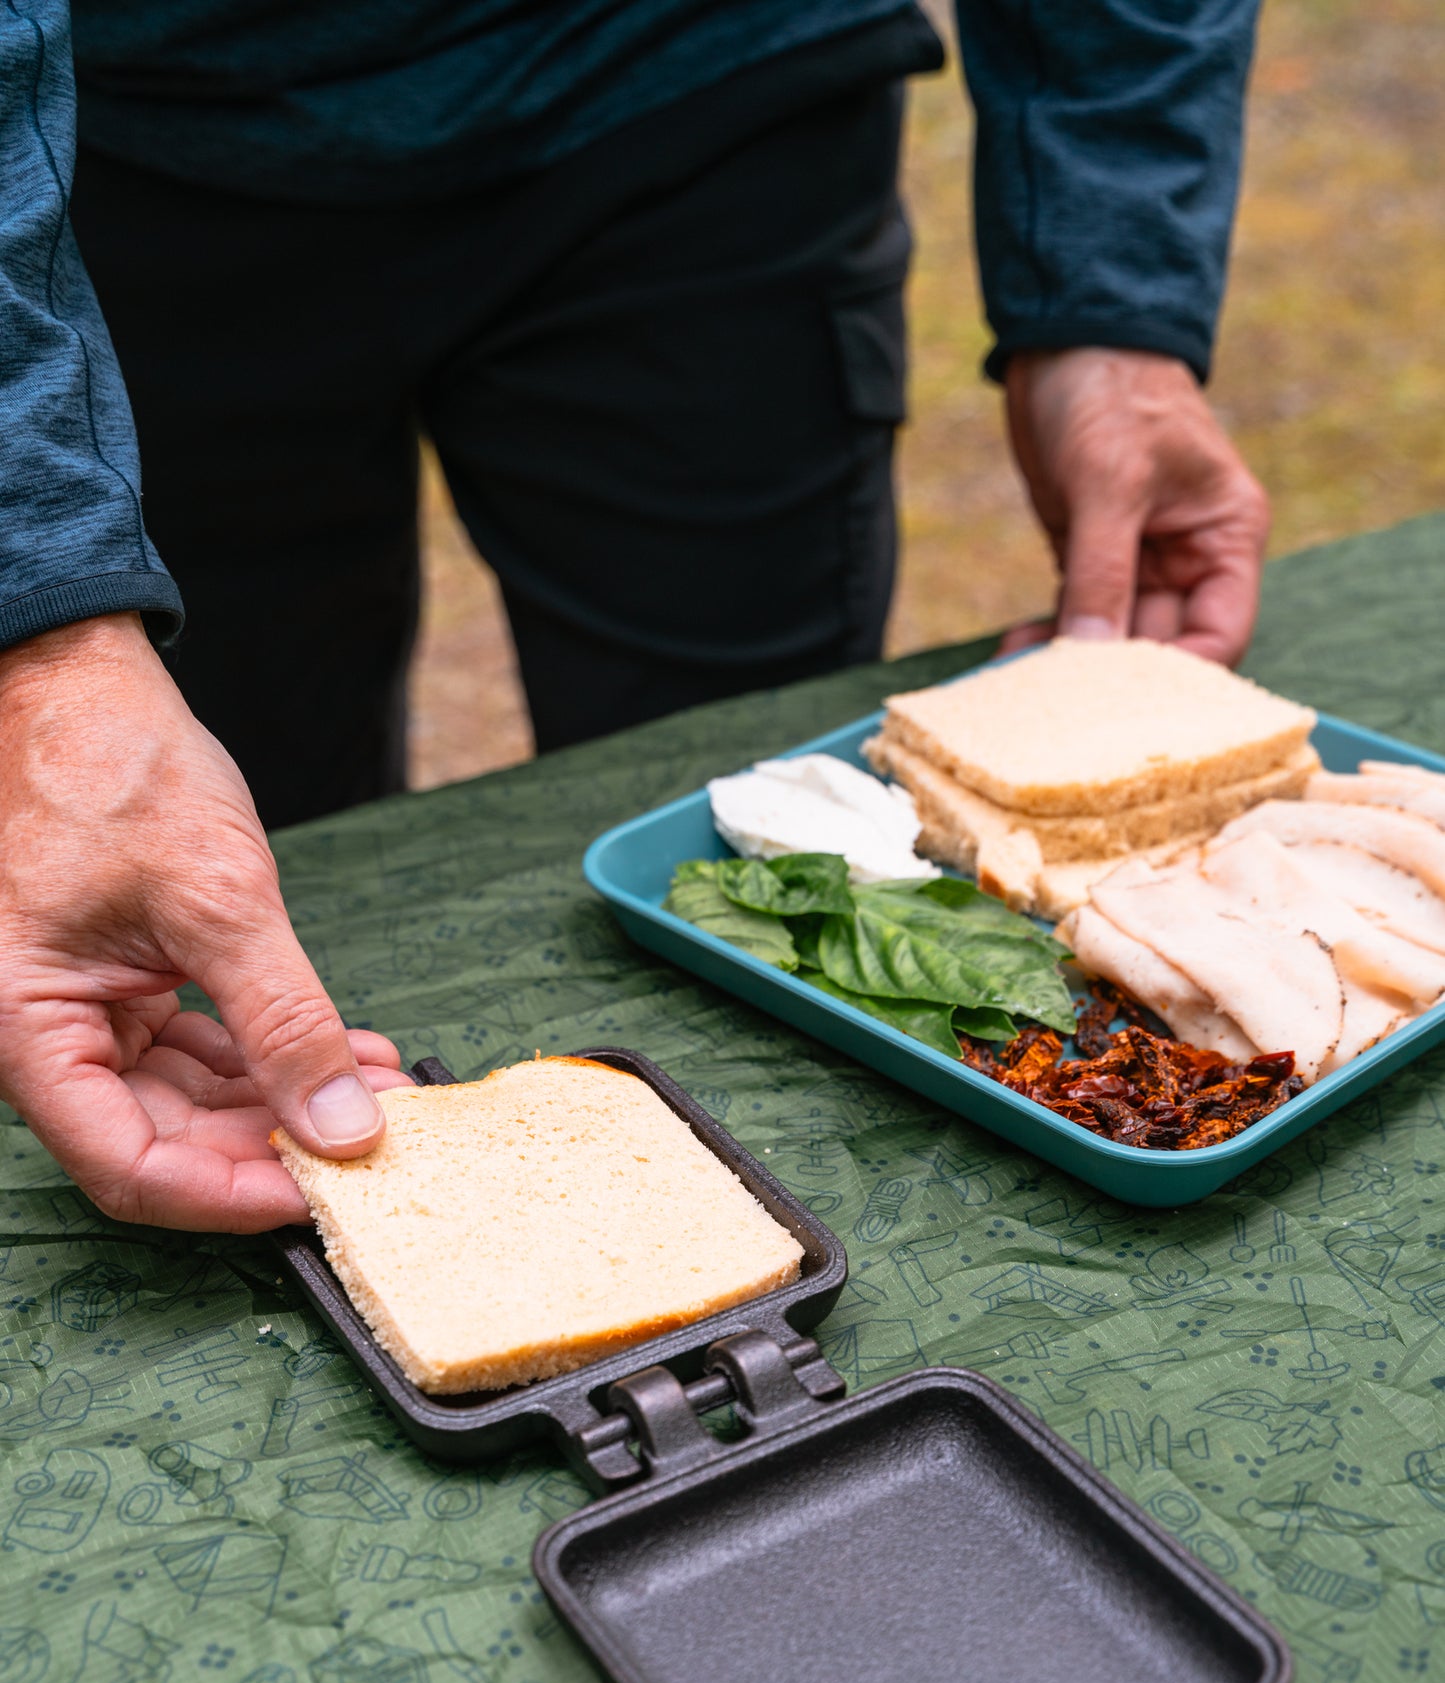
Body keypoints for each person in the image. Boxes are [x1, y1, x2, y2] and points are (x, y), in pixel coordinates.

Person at [0, 0, 1270, 1233]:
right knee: (223, 861)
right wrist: (43, 626)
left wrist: (1108, 296)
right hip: (130, 160)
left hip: (701, 98)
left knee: (759, 854)